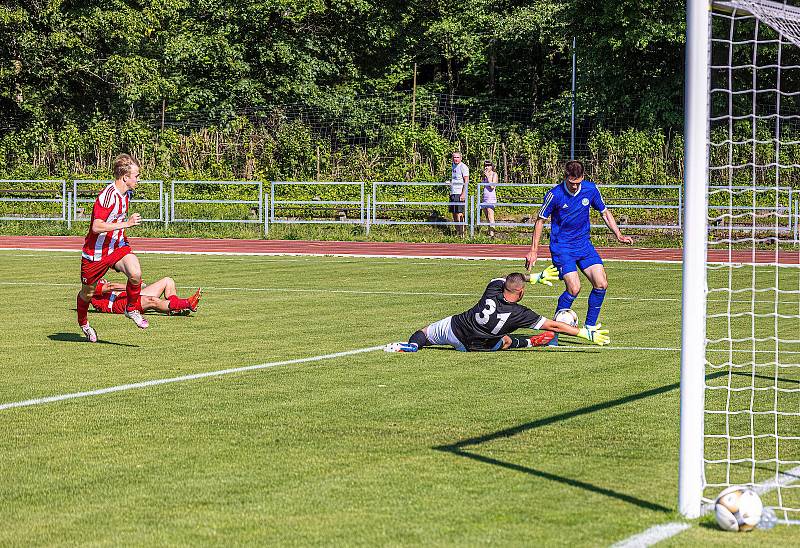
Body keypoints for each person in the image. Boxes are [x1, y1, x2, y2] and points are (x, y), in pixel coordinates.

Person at [524, 160, 632, 346]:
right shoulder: (554, 195)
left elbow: (605, 213)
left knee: (601, 284)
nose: (575, 186)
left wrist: (619, 235)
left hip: (584, 246)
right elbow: (540, 221)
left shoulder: (590, 189)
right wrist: (534, 250)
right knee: (574, 288)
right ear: (565, 177)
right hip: (562, 247)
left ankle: (589, 327)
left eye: (578, 182)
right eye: (572, 182)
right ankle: (554, 332)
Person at [385, 266, 610, 352]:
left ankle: (414, 345)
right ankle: (531, 342)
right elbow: (553, 324)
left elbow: (507, 277)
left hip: (455, 328)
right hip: (473, 346)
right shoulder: (521, 313)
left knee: (424, 332)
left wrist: (534, 277)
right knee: (505, 340)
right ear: (520, 293)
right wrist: (584, 333)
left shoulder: (493, 287)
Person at [77, 153, 148, 342]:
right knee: (88, 293)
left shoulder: (127, 194)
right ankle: (84, 323)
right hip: (95, 253)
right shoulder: (107, 197)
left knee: (136, 274)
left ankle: (131, 309)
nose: (138, 179)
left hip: (117, 246)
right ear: (125, 177)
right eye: (137, 176)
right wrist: (127, 224)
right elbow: (96, 226)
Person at [91, 277, 202, 316]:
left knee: (168, 281)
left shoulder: (95, 278)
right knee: (152, 301)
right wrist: (134, 286)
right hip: (117, 304)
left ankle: (176, 309)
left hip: (124, 296)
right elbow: (111, 287)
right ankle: (187, 303)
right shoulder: (89, 286)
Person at [449, 151, 469, 237]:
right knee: (454, 213)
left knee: (459, 213)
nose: (456, 159)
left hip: (459, 192)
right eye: (454, 157)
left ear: (461, 158)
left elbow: (466, 181)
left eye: (457, 157)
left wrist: (463, 193)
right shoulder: (453, 166)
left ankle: (462, 233)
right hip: (453, 192)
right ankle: (457, 232)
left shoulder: (463, 167)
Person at [481, 160, 498, 237]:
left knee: (491, 216)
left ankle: (492, 234)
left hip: (491, 197)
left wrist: (488, 177)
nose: (486, 167)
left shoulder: (494, 174)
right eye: (485, 166)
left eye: (488, 165)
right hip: (485, 197)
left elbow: (492, 186)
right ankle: (489, 231)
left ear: (492, 166)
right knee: (487, 216)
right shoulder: (484, 175)